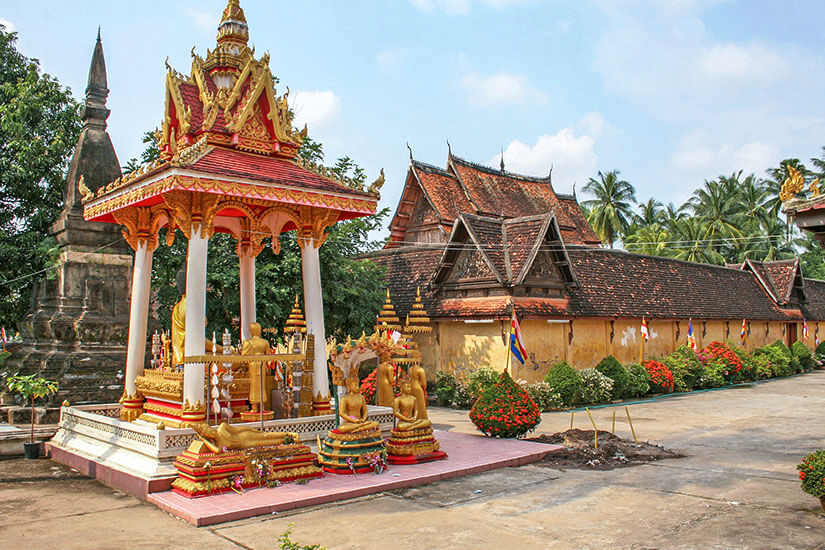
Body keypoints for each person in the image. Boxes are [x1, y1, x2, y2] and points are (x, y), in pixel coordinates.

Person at [191, 421, 290, 453]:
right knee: (266, 442)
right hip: (245, 444)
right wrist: (204, 440)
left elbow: (238, 430)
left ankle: (289, 434)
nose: (211, 432)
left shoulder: (222, 427)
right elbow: (217, 451)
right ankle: (287, 440)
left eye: (209, 429)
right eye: (208, 433)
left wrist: (252, 429)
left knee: (265, 435)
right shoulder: (219, 444)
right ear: (208, 437)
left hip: (245, 435)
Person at [242, 322, 270, 412]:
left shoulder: (248, 342)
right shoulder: (265, 342)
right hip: (262, 364)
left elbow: (243, 355)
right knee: (261, 385)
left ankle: (254, 407)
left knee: (254, 385)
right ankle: (262, 407)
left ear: (251, 331)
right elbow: (268, 356)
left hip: (253, 364)